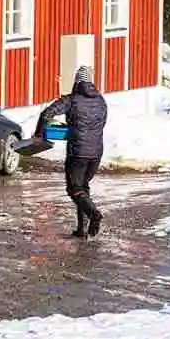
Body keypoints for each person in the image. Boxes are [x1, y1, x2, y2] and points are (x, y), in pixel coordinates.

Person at [36, 65, 107, 239]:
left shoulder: (71, 100)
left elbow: (46, 114)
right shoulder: (101, 101)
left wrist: (39, 134)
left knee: (74, 189)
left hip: (78, 152)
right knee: (83, 188)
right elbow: (101, 123)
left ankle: (94, 214)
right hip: (96, 153)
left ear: (77, 82)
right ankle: (82, 230)